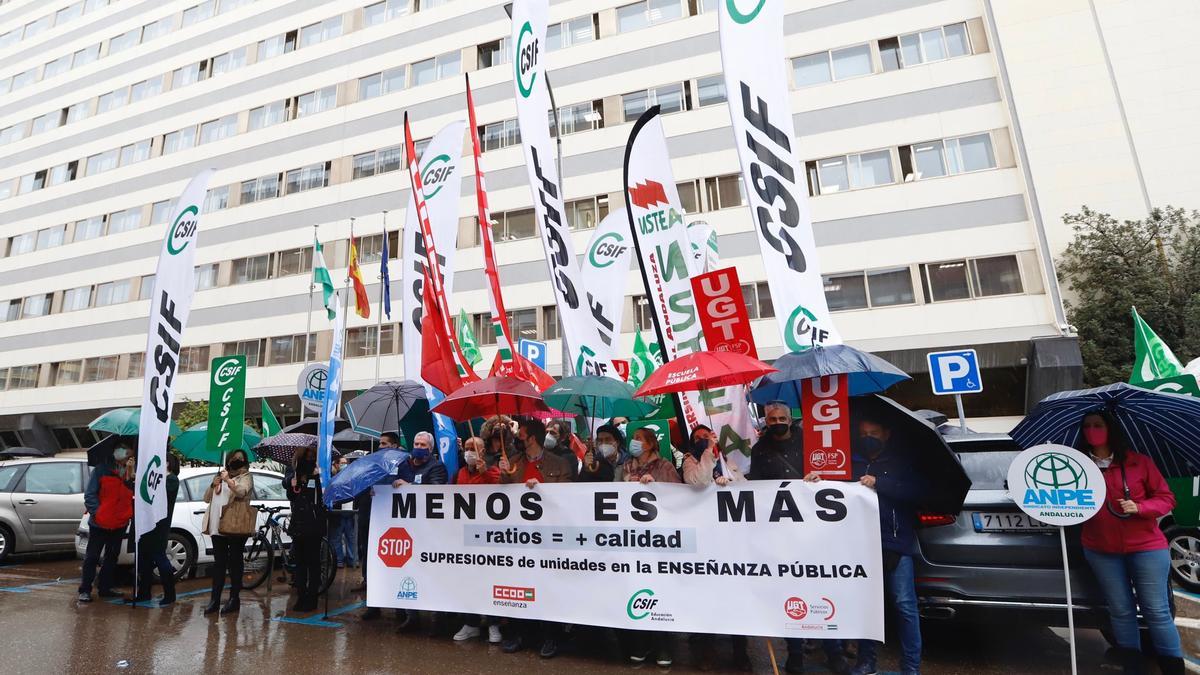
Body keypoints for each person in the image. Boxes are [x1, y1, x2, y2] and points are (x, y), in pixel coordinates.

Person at [807, 415, 922, 675]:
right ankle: (866, 662)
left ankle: (911, 668)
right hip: (859, 546)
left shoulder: (901, 462)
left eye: (873, 432)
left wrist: (880, 484)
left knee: (904, 606)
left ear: (887, 433)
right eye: (863, 433)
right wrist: (818, 482)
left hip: (895, 544)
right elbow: (836, 491)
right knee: (865, 607)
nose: (867, 437)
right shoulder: (852, 462)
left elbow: (915, 492)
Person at [1077, 411, 1182, 675]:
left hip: (1146, 548)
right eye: (1087, 426)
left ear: (1110, 429)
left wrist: (1141, 507)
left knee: (1156, 611)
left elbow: (1167, 498)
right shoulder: (1077, 466)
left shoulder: (1139, 463)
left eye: (1098, 425)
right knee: (1120, 610)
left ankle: (1172, 667)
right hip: (1100, 550)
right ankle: (1132, 666)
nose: (1092, 430)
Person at [751, 403, 849, 675]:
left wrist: (821, 479)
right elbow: (756, 487)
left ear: (791, 419)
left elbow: (834, 475)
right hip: (781, 534)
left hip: (815, 532)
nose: (778, 422)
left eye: (782, 417)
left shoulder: (811, 442)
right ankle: (794, 653)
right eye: (772, 419)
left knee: (822, 592)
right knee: (788, 594)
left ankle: (834, 651)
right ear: (766, 422)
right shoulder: (760, 450)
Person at [499, 418, 572, 657]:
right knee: (521, 585)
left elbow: (569, 497)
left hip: (549, 537)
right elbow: (502, 496)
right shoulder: (514, 463)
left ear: (532, 439)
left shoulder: (560, 464)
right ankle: (522, 633)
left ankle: (552, 636)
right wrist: (505, 475)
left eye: (522, 434)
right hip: (519, 537)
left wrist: (542, 488)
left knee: (550, 585)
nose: (518, 437)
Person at [618, 427, 682, 667]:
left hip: (658, 540)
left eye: (638, 439)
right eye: (632, 439)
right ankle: (640, 644)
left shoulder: (664, 466)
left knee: (658, 590)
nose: (633, 443)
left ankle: (663, 646)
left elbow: (677, 495)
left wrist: (655, 486)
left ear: (651, 444)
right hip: (632, 539)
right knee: (635, 587)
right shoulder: (626, 467)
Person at [451, 436, 503, 644]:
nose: (469, 452)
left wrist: (486, 474)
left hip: (488, 537)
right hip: (465, 538)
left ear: (483, 452)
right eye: (467, 448)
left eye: (474, 449)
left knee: (490, 581)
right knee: (468, 582)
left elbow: (504, 490)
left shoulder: (493, 471)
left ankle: (493, 624)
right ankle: (471, 623)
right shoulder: (460, 473)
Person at [78, 443, 135, 603]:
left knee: (112, 557)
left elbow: (131, 494)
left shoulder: (129, 473)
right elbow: (90, 495)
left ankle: (105, 587)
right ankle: (85, 589)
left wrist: (130, 475)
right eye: (122, 448)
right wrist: (99, 514)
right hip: (99, 523)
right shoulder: (101, 469)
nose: (125, 452)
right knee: (92, 557)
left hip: (119, 523)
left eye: (127, 449)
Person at [202, 449, 255, 615]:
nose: (236, 461)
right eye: (233, 459)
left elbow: (242, 492)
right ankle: (214, 600)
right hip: (217, 526)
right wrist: (214, 483)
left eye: (239, 459)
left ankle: (234, 599)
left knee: (235, 563)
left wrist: (229, 481)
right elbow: (206, 498)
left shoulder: (246, 476)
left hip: (235, 526)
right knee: (219, 564)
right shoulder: (220, 474)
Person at [359, 431, 403, 620]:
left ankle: (400, 608)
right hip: (372, 519)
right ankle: (373, 605)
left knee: (395, 562)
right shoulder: (373, 463)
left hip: (394, 522)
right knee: (371, 560)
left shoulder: (403, 462)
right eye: (380, 443)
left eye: (384, 444)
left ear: (394, 446)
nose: (380, 447)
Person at [131, 452, 180, 606]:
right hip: (147, 524)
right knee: (144, 560)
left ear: (168, 463)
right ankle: (144, 592)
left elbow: (160, 495)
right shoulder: (157, 478)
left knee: (160, 558)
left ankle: (170, 594)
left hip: (160, 525)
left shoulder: (172, 479)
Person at [285, 445, 327, 613]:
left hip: (314, 524)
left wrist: (318, 477)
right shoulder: (295, 471)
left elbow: (323, 496)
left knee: (313, 563)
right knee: (300, 563)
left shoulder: (319, 472)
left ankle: (312, 597)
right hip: (298, 523)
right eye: (305, 455)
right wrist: (292, 483)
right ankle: (301, 595)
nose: (308, 459)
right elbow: (291, 495)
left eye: (311, 456)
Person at [328, 456, 357, 569]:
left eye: (346, 463)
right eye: (342, 463)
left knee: (351, 537)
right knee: (336, 537)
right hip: (338, 512)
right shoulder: (333, 478)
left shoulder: (351, 478)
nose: (344, 465)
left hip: (350, 512)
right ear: (336, 464)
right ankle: (338, 560)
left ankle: (352, 559)